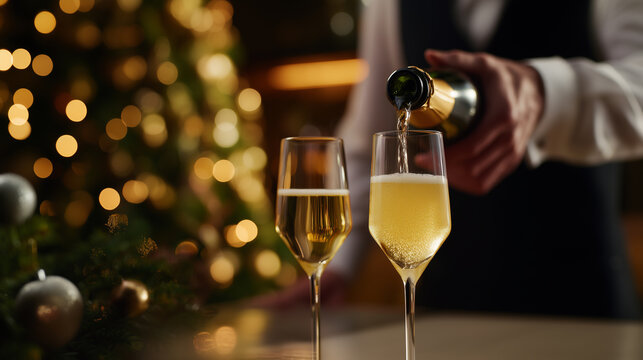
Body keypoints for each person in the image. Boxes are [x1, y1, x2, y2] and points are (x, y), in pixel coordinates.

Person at [256, 0, 643, 319]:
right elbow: (367, 141)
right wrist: (337, 269)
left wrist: (546, 93)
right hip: (446, 303)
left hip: (578, 301)